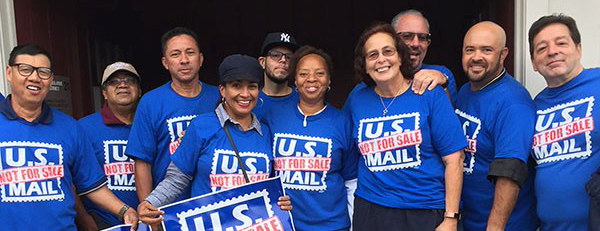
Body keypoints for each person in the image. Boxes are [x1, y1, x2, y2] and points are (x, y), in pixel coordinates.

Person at [137, 54, 292, 226]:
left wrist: (281, 202)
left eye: (252, 86)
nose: (245, 94)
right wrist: (150, 203)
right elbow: (177, 178)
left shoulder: (266, 132)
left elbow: (270, 188)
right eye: (236, 86)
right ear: (222, 90)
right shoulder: (201, 126)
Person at [0, 44, 138, 230]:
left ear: (51, 79)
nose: (34, 77)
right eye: (25, 69)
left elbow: (92, 185)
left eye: (43, 72)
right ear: (9, 73)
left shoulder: (70, 127)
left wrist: (125, 210)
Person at [344, 23, 466, 231]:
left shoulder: (429, 93)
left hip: (424, 210)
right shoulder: (357, 98)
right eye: (372, 55)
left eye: (388, 51)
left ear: (400, 56)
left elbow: (455, 158)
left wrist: (451, 218)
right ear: (364, 65)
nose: (381, 59)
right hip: (372, 210)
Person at [262, 46, 359, 230]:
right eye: (303, 73)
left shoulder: (343, 122)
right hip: (285, 224)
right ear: (295, 81)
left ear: (329, 79)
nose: (311, 79)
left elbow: (351, 182)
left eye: (319, 73)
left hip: (332, 225)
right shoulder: (273, 118)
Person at [455, 21, 538, 231]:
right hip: (469, 220)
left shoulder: (513, 102)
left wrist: (494, 228)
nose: (476, 57)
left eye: (487, 50)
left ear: (503, 55)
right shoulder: (465, 91)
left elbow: (509, 172)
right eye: (470, 49)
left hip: (504, 226)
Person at [125, 27, 220, 208]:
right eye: (175, 54)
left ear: (200, 59)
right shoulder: (151, 102)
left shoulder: (219, 98)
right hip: (169, 207)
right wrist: (149, 212)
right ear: (165, 62)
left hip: (214, 206)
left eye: (190, 53)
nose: (184, 60)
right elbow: (142, 161)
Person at [528, 14, 600, 231]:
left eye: (561, 43)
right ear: (533, 63)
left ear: (578, 49)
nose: (552, 51)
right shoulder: (533, 106)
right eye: (542, 48)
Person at [75, 61, 142, 230]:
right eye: (114, 82)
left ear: (139, 90)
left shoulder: (151, 126)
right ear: (104, 92)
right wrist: (86, 220)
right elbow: (72, 181)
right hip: (104, 223)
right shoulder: (84, 128)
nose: (123, 85)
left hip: (147, 222)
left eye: (130, 80)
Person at [391, 9, 458, 103]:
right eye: (407, 36)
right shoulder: (378, 77)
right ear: (391, 40)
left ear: (428, 43)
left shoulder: (442, 73)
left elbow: (449, 116)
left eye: (422, 37)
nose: (415, 43)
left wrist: (443, 83)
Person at [253, 32, 300, 118]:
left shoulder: (303, 100)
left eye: (289, 57)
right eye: (275, 55)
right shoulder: (249, 99)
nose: (283, 60)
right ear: (262, 62)